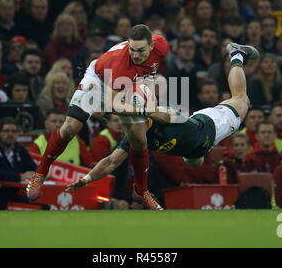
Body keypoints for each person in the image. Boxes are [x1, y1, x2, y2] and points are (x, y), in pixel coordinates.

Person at [65, 42, 259, 205]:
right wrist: (87, 179)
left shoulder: (159, 115)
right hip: (191, 146)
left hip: (211, 126)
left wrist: (123, 105)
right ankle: (192, 153)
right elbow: (110, 162)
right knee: (195, 161)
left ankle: (236, 53)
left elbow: (165, 116)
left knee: (242, 99)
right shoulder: (137, 136)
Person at [26, 24, 171, 210]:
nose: (135, 55)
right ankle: (40, 173)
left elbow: (150, 72)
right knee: (70, 127)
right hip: (99, 79)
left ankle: (141, 191)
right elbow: (113, 105)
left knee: (139, 140)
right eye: (132, 49)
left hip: (132, 82)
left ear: (152, 46)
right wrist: (149, 112)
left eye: (140, 50)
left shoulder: (162, 46)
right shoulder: (121, 64)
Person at [0, 117, 37, 209]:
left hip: (17, 193)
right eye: (6, 131)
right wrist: (19, 177)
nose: (10, 134)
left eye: (13, 131)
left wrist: (37, 173)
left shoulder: (19, 149)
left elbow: (32, 167)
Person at [29, 109, 95, 168]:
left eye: (61, 122)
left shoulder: (76, 139)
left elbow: (89, 163)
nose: (58, 125)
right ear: (46, 124)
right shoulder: (37, 144)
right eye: (54, 121)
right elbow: (33, 168)